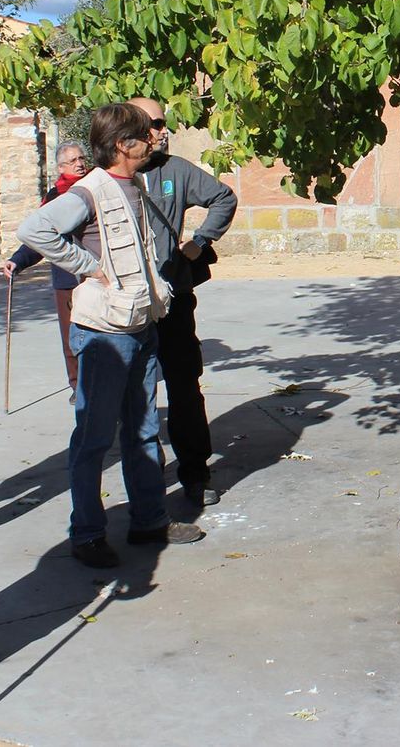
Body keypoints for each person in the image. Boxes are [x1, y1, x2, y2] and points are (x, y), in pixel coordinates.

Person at [17, 102, 205, 568]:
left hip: (140, 324)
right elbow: (35, 229)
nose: (156, 139)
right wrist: (88, 267)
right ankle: (87, 534)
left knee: (142, 431)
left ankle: (149, 521)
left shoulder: (134, 184)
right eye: (146, 134)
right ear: (124, 144)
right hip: (104, 334)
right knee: (94, 437)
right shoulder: (90, 191)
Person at [129, 97, 238, 507]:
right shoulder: (109, 178)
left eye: (163, 122)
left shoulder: (174, 170)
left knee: (184, 387)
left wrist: (198, 241)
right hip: (130, 307)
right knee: (136, 395)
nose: (163, 130)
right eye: (155, 123)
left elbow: (223, 198)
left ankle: (195, 473)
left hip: (173, 300)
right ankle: (146, 485)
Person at [4, 140, 92, 390]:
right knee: (71, 337)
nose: (80, 164)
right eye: (73, 161)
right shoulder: (54, 198)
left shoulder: (95, 188)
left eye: (81, 159)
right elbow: (39, 238)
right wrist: (17, 261)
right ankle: (78, 386)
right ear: (61, 167)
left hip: (96, 275)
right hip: (66, 278)